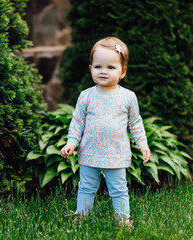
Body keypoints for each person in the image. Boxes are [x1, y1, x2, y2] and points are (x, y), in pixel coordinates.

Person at [60, 36, 150, 228]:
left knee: (118, 189)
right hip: (90, 152)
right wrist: (71, 143)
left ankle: (123, 218)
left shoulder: (128, 97)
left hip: (115, 154)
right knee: (86, 187)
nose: (103, 71)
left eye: (111, 67)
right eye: (98, 66)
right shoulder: (86, 96)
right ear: (91, 68)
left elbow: (135, 123)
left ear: (122, 72)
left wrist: (142, 144)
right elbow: (77, 122)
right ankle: (82, 215)